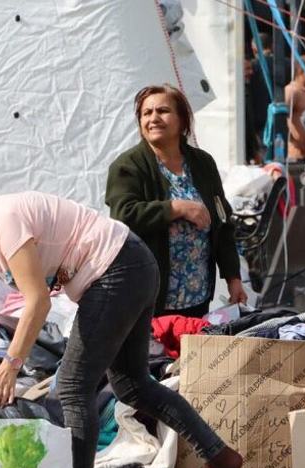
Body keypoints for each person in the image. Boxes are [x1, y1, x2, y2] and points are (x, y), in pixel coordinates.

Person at [0, 173, 244, 468]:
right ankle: (218, 455)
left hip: (120, 267)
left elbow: (38, 300)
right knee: (132, 386)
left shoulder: (5, 219)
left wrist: (11, 363)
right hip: (130, 265)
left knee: (71, 385)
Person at [106, 85, 247, 317]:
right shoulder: (128, 166)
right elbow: (123, 215)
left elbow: (222, 222)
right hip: (148, 297)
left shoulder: (203, 164)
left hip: (197, 294)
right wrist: (176, 208)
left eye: (162, 110)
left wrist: (233, 278)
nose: (153, 118)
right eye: (146, 113)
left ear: (182, 120)